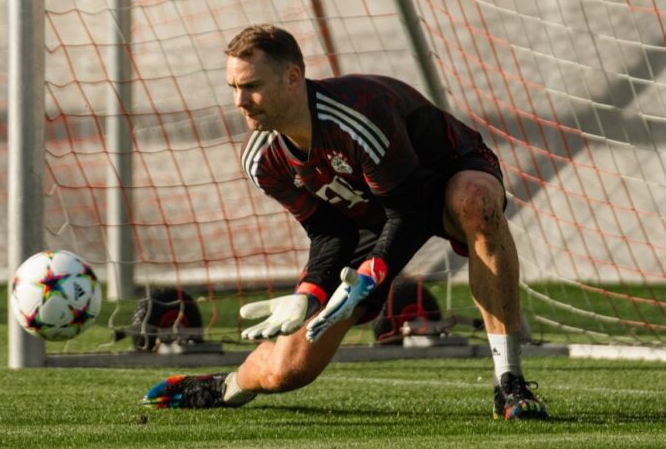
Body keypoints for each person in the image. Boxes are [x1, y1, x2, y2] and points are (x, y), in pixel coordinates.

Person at [143, 24, 547, 420]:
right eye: (233, 87)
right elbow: (329, 231)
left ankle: (509, 381)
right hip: (379, 214)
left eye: (251, 86)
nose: (240, 101)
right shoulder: (262, 160)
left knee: (474, 200)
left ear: (293, 77)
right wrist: (310, 292)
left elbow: (411, 209)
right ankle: (225, 386)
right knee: (291, 368)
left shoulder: (358, 116)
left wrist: (373, 271)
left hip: (441, 181)